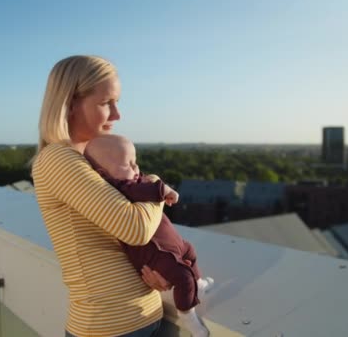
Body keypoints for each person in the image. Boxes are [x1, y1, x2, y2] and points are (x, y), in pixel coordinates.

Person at [32, 55, 172, 337]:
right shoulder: (58, 159)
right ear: (70, 103)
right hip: (107, 328)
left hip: (143, 317)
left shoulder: (94, 160)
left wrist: (159, 266)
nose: (117, 115)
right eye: (106, 103)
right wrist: (155, 183)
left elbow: (129, 238)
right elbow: (136, 227)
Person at [84, 134, 214, 337]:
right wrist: (164, 189)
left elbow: (147, 181)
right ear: (103, 173)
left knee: (190, 251)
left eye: (135, 162)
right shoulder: (119, 188)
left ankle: (197, 286)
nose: (136, 169)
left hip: (173, 245)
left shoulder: (131, 181)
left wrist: (151, 182)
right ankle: (187, 316)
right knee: (183, 277)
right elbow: (149, 187)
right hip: (157, 253)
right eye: (128, 164)